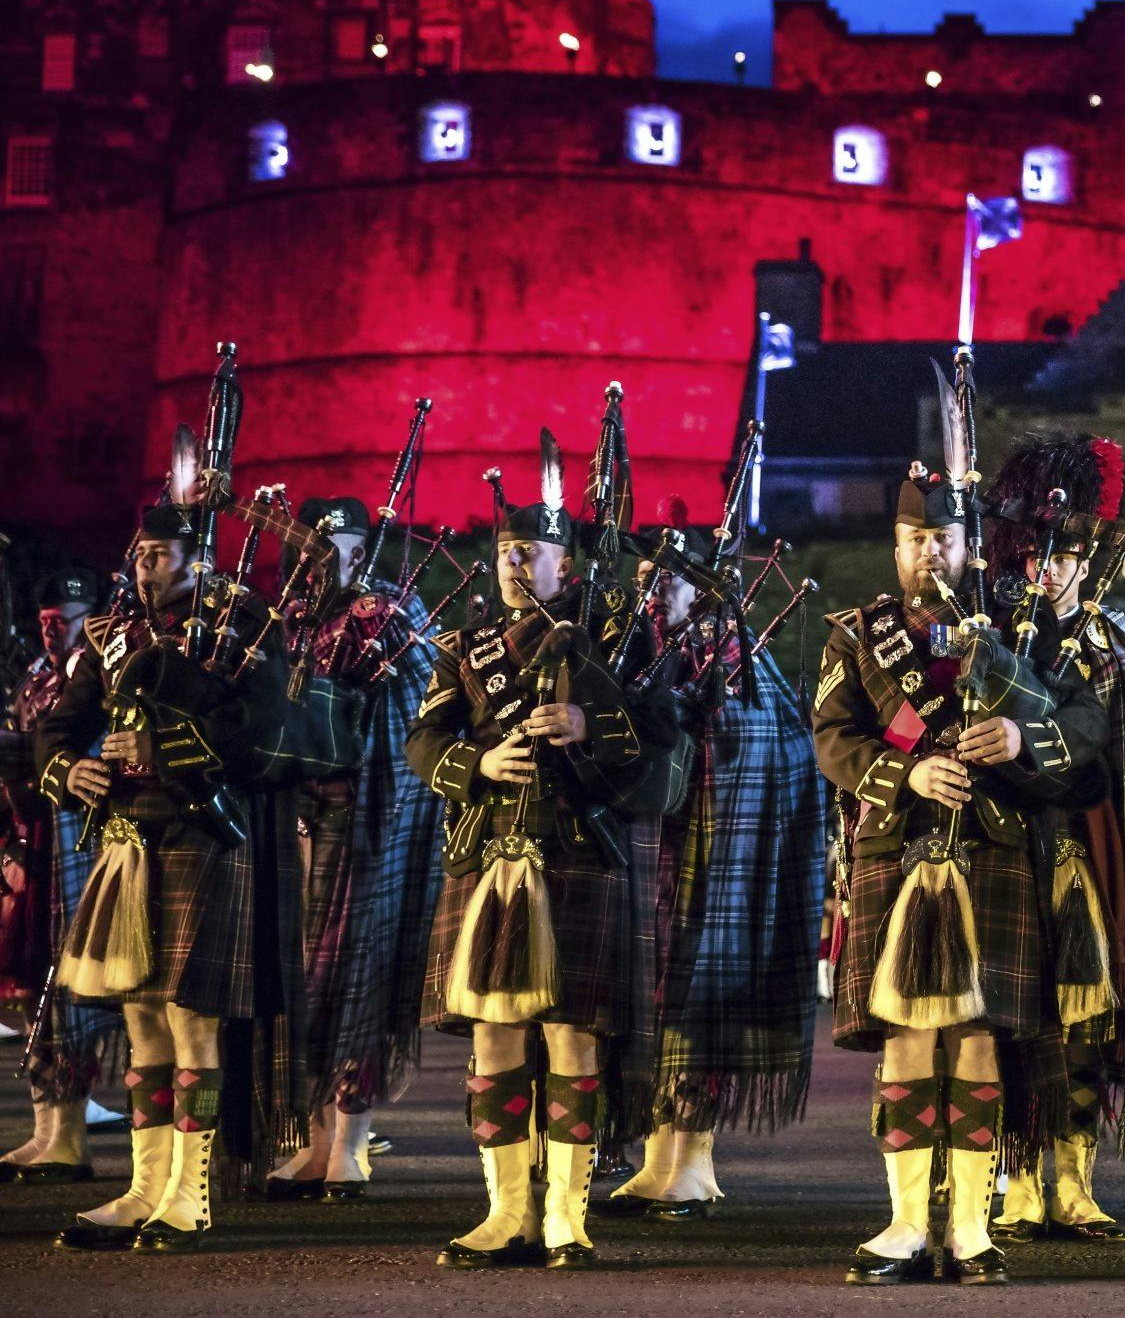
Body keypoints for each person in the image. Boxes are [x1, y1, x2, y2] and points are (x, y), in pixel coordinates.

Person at [813, 463, 1109, 1286]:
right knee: (910, 1036)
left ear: (970, 542)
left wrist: (1022, 741)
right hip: (899, 852)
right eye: (916, 540)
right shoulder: (856, 632)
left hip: (997, 846)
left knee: (977, 1037)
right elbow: (834, 737)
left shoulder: (1022, 624)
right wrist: (903, 774)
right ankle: (910, 1222)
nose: (930, 553)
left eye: (944, 538)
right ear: (896, 546)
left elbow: (1086, 723)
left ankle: (973, 1226)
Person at [407, 454, 679, 1270]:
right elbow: (423, 740)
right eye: (506, 554)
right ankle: (506, 1212)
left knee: (572, 1037)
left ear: (570, 562)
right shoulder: (466, 646)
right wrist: (478, 765)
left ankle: (566, 1215)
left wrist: (593, 727)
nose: (518, 566)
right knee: (495, 1034)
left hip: (579, 854)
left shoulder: (622, 643)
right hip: (490, 854)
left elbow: (665, 751)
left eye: (534, 554)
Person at [40, 489, 295, 1252]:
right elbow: (63, 719)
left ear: (200, 560)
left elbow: (260, 730)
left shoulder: (243, 626)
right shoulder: (113, 633)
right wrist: (68, 768)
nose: (144, 564)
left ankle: (191, 1192)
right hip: (127, 834)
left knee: (190, 1014)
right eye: (140, 552)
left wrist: (167, 749)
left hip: (202, 831)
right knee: (139, 1011)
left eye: (159, 553)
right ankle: (145, 1186)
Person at [983, 430, 1125, 1243]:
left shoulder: (1115, 640)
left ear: (1087, 556)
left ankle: (1072, 1176)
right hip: (1006, 842)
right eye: (1042, 556)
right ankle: (1016, 1178)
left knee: (1084, 1018)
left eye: (1069, 556)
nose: (1054, 571)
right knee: (1010, 1012)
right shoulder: (992, 632)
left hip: (1094, 844)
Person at [597, 520, 828, 1218]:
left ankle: (693, 1165)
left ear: (703, 590)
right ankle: (662, 1160)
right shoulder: (649, 654)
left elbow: (766, 755)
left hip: (719, 858)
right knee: (660, 1009)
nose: (650, 587)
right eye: (646, 577)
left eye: (665, 576)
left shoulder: (738, 663)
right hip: (658, 857)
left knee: (700, 1007)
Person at [265, 497, 441, 1201]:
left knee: (355, 980)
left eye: (344, 541)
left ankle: (352, 1141)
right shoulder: (288, 618)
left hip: (370, 817)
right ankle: (312, 1141)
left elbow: (418, 712)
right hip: (298, 817)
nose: (330, 554)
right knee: (302, 986)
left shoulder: (394, 614)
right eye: (319, 541)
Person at [2, 568, 117, 1185]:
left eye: (63, 619)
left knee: (65, 988)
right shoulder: (36, 677)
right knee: (28, 990)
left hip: (75, 840)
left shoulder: (99, 664)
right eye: (46, 621)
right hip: (33, 840)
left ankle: (70, 1138)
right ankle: (47, 1131)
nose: (54, 631)